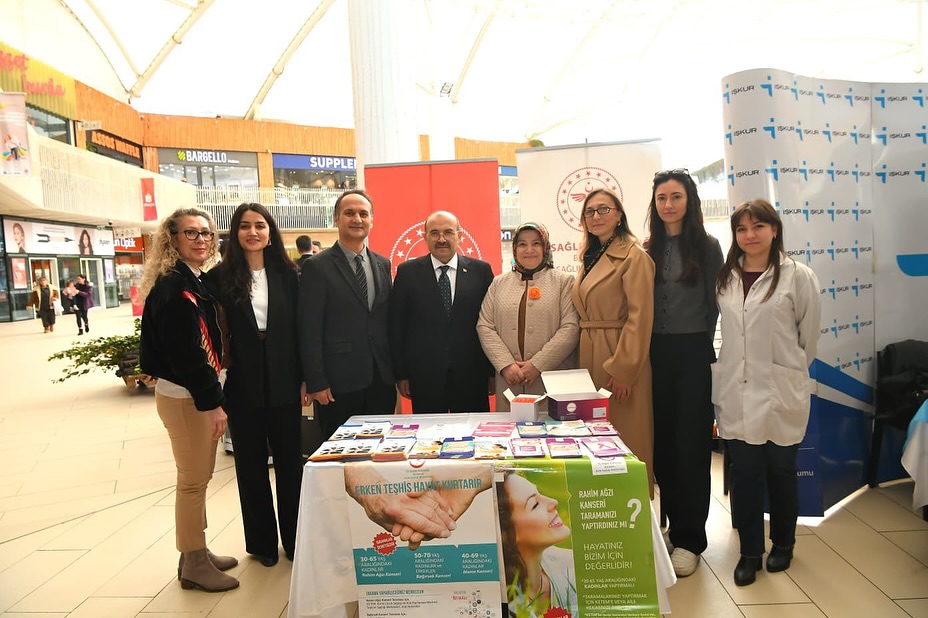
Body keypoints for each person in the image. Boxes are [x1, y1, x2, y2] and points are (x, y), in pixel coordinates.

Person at [713, 198, 821, 587]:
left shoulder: (798, 276)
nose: (750, 235)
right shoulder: (726, 277)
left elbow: (808, 338)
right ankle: (749, 553)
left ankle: (784, 544)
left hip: (780, 391)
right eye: (742, 229)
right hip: (736, 391)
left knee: (780, 472)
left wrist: (784, 370)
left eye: (758, 226)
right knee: (745, 474)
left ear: (774, 230)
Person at [138, 206, 239, 593]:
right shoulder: (175, 288)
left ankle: (195, 552)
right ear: (172, 239)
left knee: (198, 477)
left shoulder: (189, 279)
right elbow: (188, 356)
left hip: (189, 396)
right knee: (193, 482)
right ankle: (194, 561)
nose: (201, 240)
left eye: (206, 233)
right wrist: (212, 404)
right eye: (191, 233)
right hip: (187, 399)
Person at [210, 203, 305, 567]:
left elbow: (299, 330)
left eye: (260, 225)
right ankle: (262, 544)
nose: (253, 232)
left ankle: (295, 541)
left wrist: (304, 378)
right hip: (241, 380)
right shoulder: (219, 278)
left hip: (285, 378)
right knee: (250, 467)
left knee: (290, 465)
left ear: (270, 232)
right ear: (235, 233)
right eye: (245, 226)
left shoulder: (289, 274)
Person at [643, 169, 724, 577]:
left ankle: (691, 539)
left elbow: (716, 306)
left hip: (693, 353)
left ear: (689, 200)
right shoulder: (646, 249)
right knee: (663, 447)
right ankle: (672, 526)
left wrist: (697, 346)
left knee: (691, 446)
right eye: (662, 198)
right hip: (653, 355)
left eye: (676, 196)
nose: (668, 204)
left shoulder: (707, 247)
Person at [572, 188, 656, 496]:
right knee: (596, 438)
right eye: (589, 211)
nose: (596, 216)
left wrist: (624, 369)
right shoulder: (590, 256)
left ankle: (632, 506)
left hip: (619, 356)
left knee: (627, 437)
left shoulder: (634, 256)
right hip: (590, 352)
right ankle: (602, 505)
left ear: (619, 215)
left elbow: (640, 317)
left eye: (603, 209)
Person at [298, 190, 395, 439]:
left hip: (381, 380)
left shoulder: (383, 264)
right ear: (336, 219)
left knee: (379, 448)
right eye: (349, 213)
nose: (357, 219)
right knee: (340, 454)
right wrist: (316, 381)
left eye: (364, 214)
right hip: (337, 384)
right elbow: (309, 328)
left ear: (372, 220)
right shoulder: (316, 267)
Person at [390, 211, 495, 413]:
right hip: (424, 378)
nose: (441, 239)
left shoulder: (481, 271)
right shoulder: (407, 273)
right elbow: (397, 327)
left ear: (459, 235)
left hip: (472, 376)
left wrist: (491, 373)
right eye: (434, 233)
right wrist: (401, 374)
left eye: (448, 232)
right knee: (428, 433)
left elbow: (491, 324)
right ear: (425, 237)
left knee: (472, 431)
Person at [477, 222, 579, 410]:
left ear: (545, 247)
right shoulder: (498, 283)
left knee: (550, 426)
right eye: (522, 244)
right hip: (510, 382)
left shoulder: (564, 282)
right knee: (510, 427)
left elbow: (570, 328)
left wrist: (538, 365)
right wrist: (506, 365)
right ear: (514, 249)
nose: (529, 250)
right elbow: (485, 326)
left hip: (550, 381)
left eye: (536, 243)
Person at [496, 470, 578, 617]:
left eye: (540, 493)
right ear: (506, 534)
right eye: (534, 504)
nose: (553, 502)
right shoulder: (500, 602)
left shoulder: (570, 566)